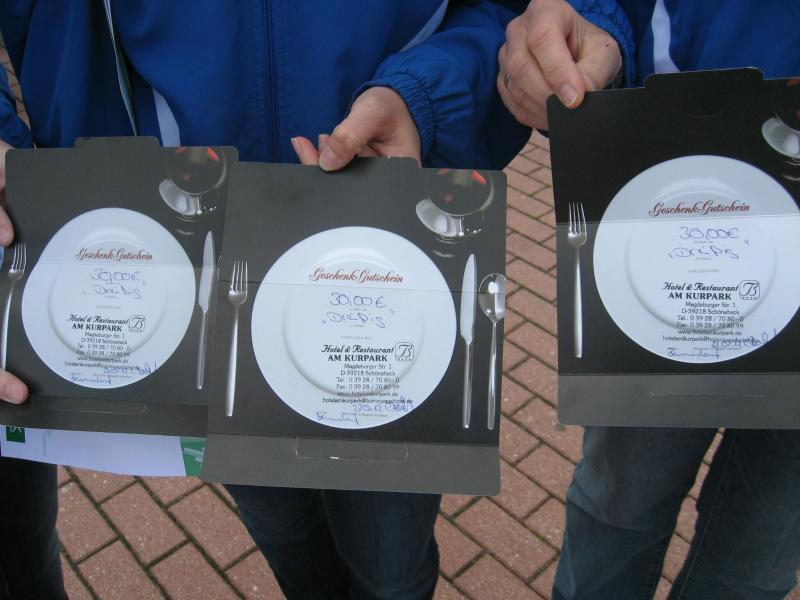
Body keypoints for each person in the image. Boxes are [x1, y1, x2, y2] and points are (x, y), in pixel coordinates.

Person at [0, 2, 529, 598]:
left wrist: (421, 96)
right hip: (191, 260)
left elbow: (507, 13)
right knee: (282, 526)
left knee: (391, 559)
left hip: (382, 238)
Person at [497, 1, 800, 599]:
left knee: (757, 557)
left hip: (686, 205)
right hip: (679, 191)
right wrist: (595, 25)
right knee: (617, 510)